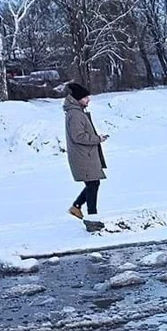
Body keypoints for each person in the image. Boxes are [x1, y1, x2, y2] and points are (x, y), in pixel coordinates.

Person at [63, 82, 109, 232]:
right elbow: (78, 136)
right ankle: (92, 219)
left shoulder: (77, 112)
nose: (88, 99)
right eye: (85, 97)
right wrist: (97, 139)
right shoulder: (75, 114)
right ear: (78, 98)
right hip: (83, 156)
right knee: (92, 184)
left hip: (85, 155)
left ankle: (77, 207)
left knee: (93, 183)